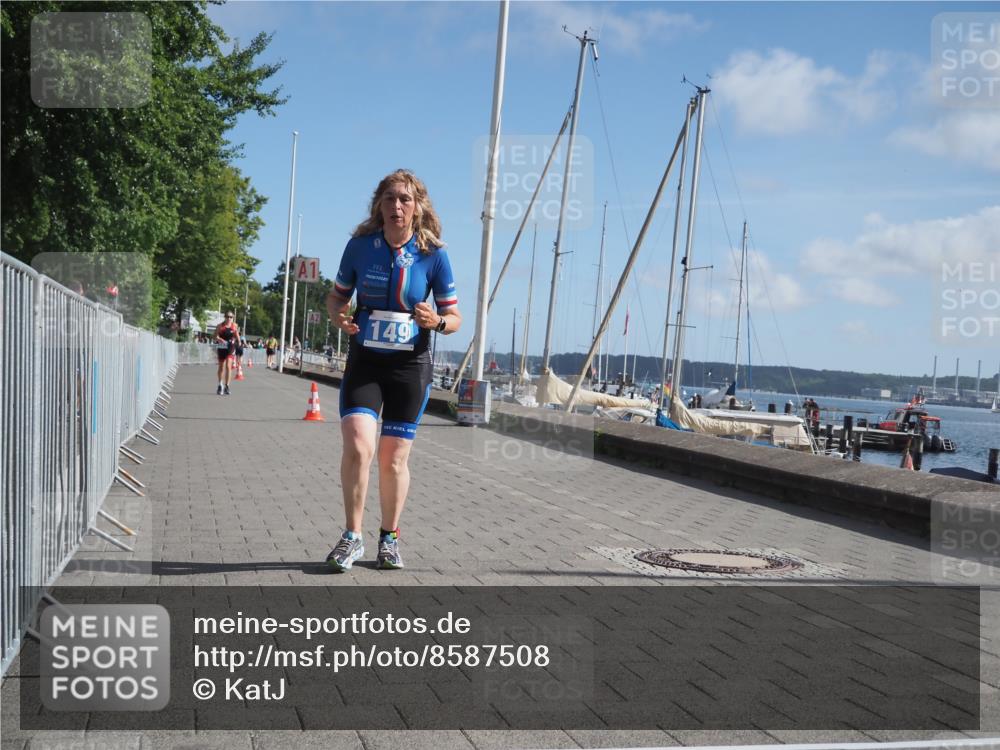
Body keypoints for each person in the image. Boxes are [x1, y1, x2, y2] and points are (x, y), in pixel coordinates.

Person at [324, 170, 461, 572]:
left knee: (393, 459)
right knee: (358, 445)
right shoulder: (359, 247)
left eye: (405, 199)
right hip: (365, 360)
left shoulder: (434, 254)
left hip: (409, 366)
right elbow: (336, 298)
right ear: (379, 205)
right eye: (389, 198)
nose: (397, 206)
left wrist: (435, 321)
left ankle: (389, 538)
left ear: (418, 206)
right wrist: (340, 317)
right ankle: (352, 537)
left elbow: (454, 317)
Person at [214, 312, 241, 395]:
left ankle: (227, 386)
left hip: (231, 347)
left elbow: (236, 334)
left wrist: (239, 341)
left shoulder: (234, 325)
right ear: (224, 317)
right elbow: (215, 336)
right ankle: (220, 385)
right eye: (227, 317)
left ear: (233, 318)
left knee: (228, 366)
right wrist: (219, 339)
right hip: (222, 347)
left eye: (231, 317)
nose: (229, 318)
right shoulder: (220, 326)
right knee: (221, 367)